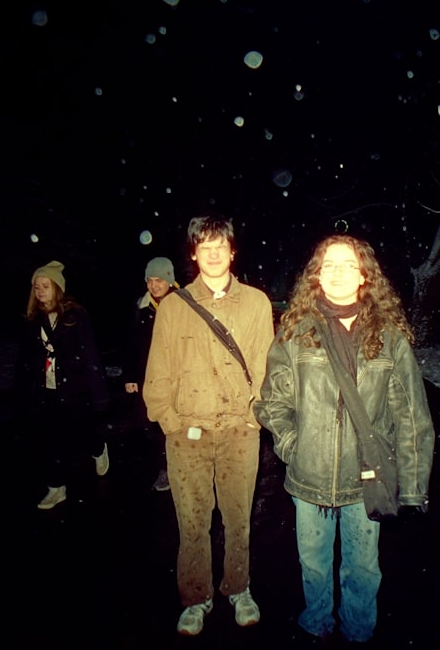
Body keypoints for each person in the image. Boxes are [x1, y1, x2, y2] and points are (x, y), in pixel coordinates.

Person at [254, 234, 435, 643]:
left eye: (348, 265)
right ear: (317, 276)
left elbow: (410, 416)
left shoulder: (388, 336)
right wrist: (292, 446)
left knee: (363, 567)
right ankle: (316, 624)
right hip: (309, 476)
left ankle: (358, 631)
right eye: (329, 265)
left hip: (365, 477)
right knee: (314, 564)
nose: (337, 274)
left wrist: (413, 485)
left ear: (364, 276)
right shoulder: (296, 332)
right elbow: (271, 403)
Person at [143, 215, 275, 636]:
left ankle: (239, 587)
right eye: (205, 246)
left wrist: (254, 415)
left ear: (232, 252)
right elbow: (158, 371)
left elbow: (265, 364)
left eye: (221, 245)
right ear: (194, 253)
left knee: (238, 518)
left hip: (240, 432)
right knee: (193, 522)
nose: (214, 253)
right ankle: (195, 598)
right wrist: (170, 420)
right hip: (188, 435)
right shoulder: (175, 308)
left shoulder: (256, 303)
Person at [13, 260, 111, 510]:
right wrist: (22, 391)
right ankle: (56, 489)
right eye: (36, 287)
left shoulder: (75, 316)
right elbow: (24, 359)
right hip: (46, 392)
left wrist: (99, 395)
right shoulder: (32, 320)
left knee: (83, 429)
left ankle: (98, 448)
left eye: (45, 286)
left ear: (57, 288)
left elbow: (90, 355)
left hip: (75, 389)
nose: (40, 291)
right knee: (50, 439)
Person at [121, 256, 178, 492]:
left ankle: (177, 466)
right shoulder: (140, 308)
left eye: (159, 280)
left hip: (177, 375)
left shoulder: (183, 304)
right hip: (149, 375)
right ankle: (164, 466)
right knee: (149, 423)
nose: (154, 286)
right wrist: (130, 376)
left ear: (169, 280)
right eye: (150, 281)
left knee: (177, 422)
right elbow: (130, 344)